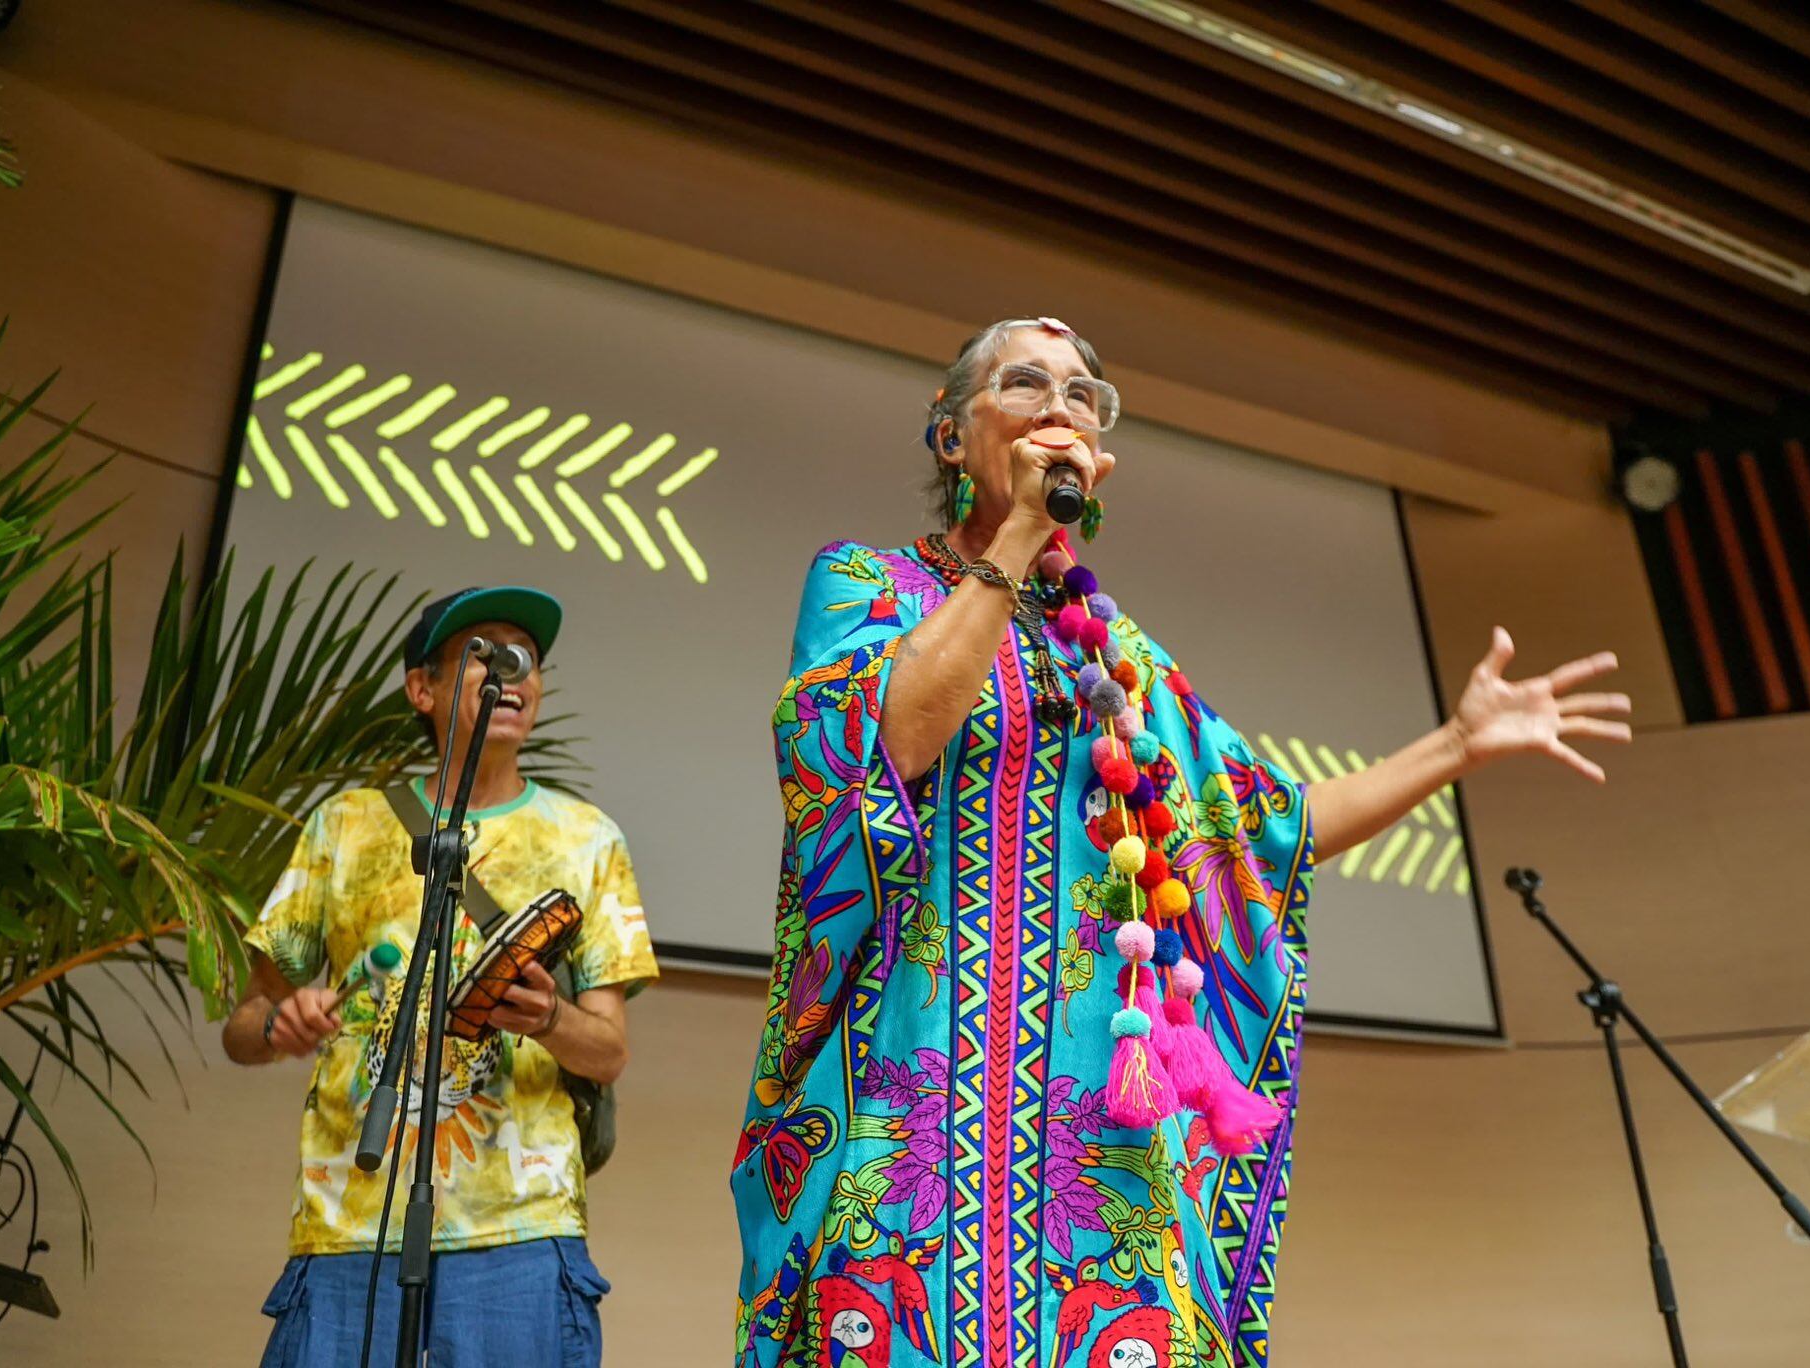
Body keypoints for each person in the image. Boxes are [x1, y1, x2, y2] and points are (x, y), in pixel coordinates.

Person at [731, 318, 1632, 1367]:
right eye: (1025, 384)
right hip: (907, 1109)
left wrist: (1455, 744)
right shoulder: (865, 586)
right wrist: (1019, 533)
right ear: (948, 437)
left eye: (1083, 393)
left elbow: (1256, 835)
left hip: (1102, 1135)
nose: (1060, 405)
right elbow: (890, 739)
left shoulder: (1121, 661)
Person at [224, 586, 659, 1367]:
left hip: (521, 1234)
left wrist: (549, 1019)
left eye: (527, 660)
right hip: (351, 1221)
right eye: (485, 656)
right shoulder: (345, 826)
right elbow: (243, 1026)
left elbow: (610, 1053)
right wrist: (277, 1025)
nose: (515, 675)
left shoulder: (588, 839)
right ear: (421, 688)